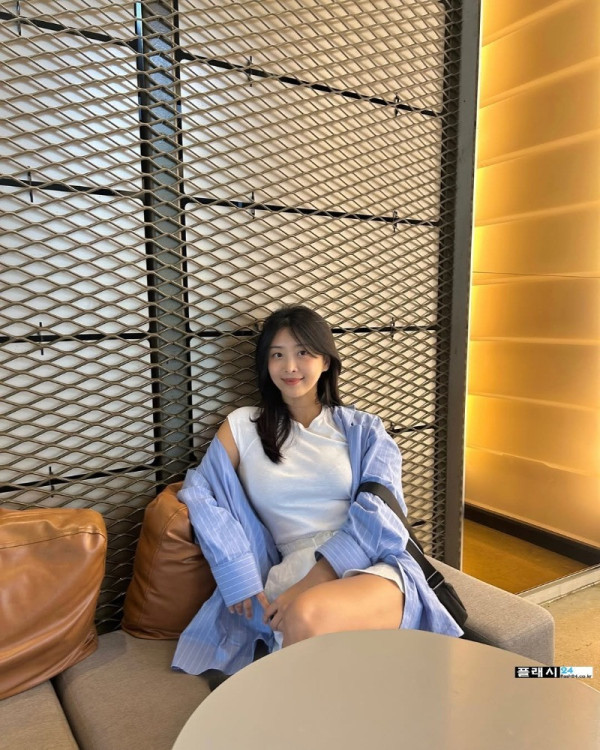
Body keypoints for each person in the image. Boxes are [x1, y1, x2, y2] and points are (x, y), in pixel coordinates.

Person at [172, 305, 462, 676]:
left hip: (370, 567)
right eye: (277, 355)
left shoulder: (364, 430)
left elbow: (380, 514)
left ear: (325, 361)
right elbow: (200, 490)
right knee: (322, 647)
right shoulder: (243, 426)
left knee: (306, 614)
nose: (290, 366)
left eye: (303, 352)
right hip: (291, 568)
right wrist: (236, 569)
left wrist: (311, 583)